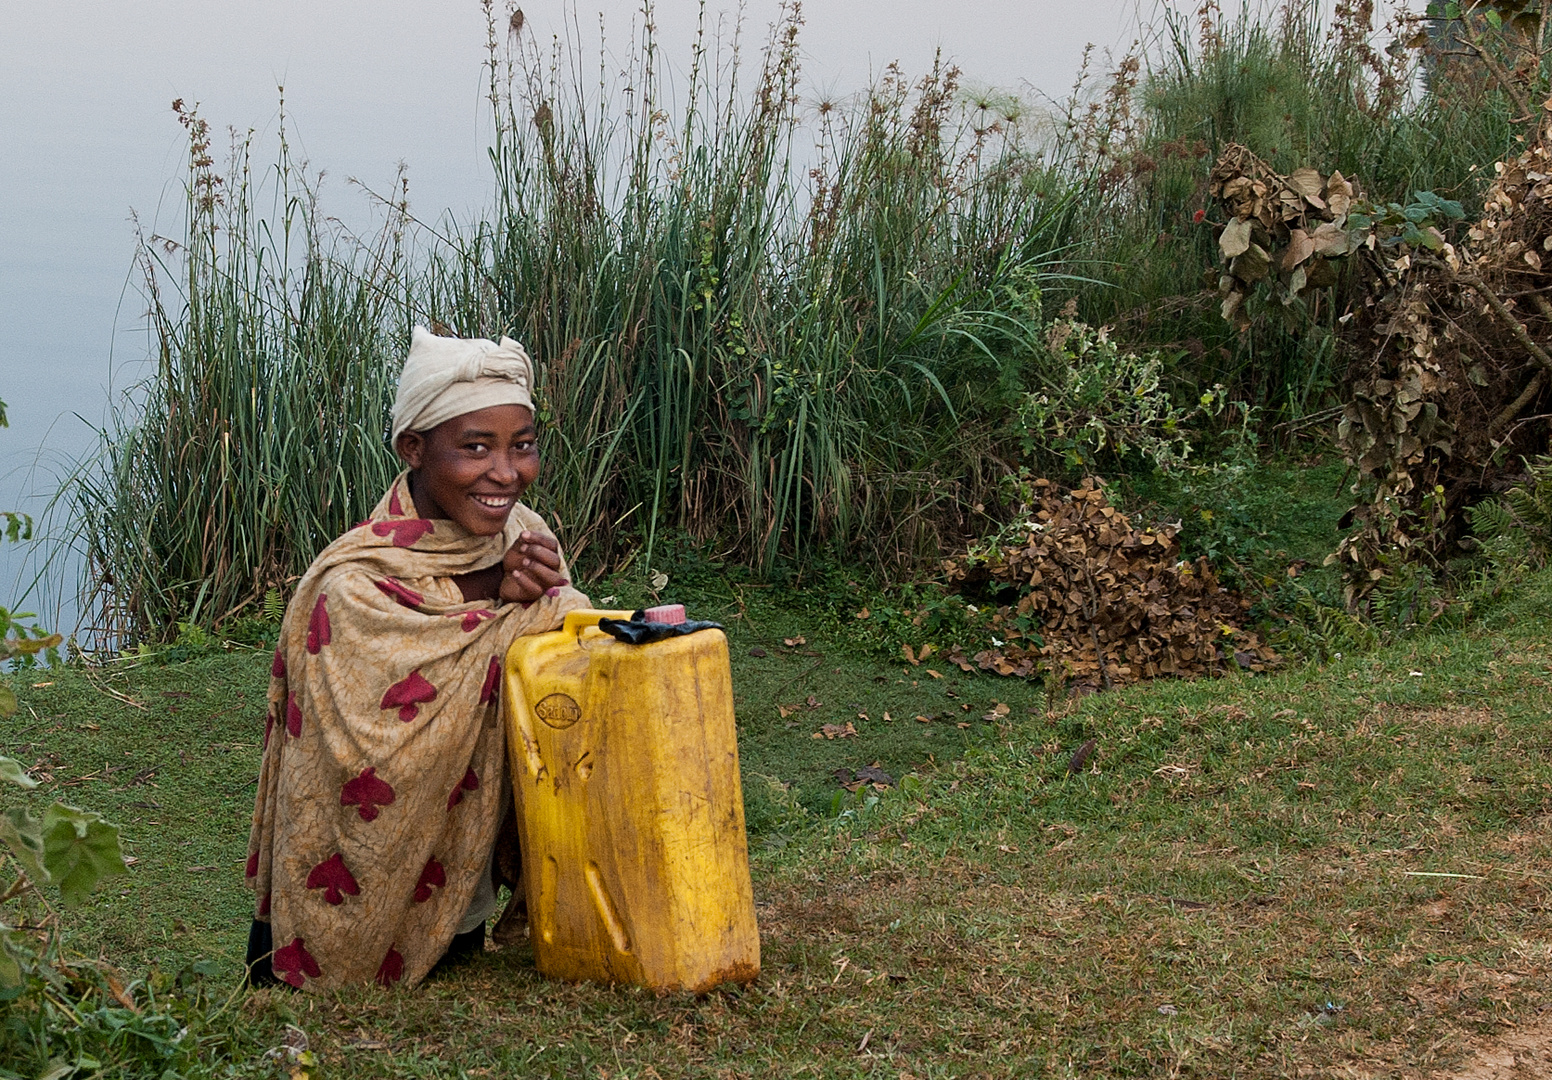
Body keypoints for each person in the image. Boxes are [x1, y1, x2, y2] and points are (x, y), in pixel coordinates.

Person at [242, 326, 590, 990]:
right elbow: (370, 742)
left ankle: (462, 927)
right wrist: (500, 596)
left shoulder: (525, 534)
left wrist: (547, 604)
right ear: (415, 449)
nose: (505, 472)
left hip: (462, 880)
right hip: (355, 873)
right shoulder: (350, 583)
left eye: (523, 446)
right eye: (475, 448)